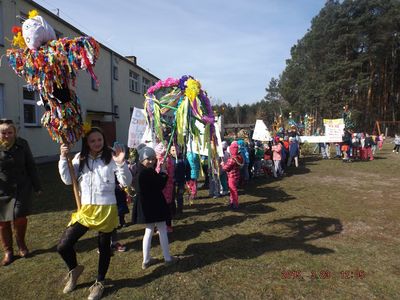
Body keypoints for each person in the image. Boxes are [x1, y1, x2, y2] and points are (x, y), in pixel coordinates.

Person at [57, 127, 132, 300]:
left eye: (99, 140)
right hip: (86, 209)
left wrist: (121, 163)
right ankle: (74, 270)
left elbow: (125, 181)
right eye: (92, 141)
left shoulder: (112, 156)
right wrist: (63, 157)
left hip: (107, 209)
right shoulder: (79, 158)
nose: (97, 143)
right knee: (63, 245)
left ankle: (99, 282)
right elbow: (68, 180)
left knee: (104, 248)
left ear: (103, 140)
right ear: (87, 143)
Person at [0, 119, 42, 266]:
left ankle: (21, 245)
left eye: (9, 132)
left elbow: (31, 164)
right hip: (2, 189)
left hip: (21, 187)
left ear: (15, 132)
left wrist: (37, 186)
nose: (6, 135)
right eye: (3, 133)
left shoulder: (22, 144)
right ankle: (8, 252)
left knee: (20, 217)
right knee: (3, 222)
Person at [132, 145, 178, 269]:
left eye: (153, 158)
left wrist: (159, 172)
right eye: (148, 159)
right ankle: (167, 258)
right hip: (154, 205)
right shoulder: (147, 172)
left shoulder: (141, 171)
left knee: (149, 230)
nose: (151, 161)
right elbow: (160, 184)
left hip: (148, 206)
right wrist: (163, 172)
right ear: (142, 160)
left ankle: (146, 260)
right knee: (162, 229)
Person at [222, 141, 243, 209]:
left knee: (233, 190)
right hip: (237, 176)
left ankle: (235, 203)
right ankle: (232, 201)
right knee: (232, 190)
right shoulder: (239, 157)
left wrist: (222, 164)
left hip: (232, 177)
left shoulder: (231, 159)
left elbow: (226, 168)